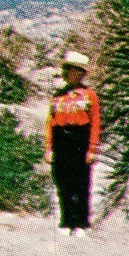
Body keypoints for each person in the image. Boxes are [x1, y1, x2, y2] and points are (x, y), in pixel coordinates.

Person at [46, 51, 100, 236]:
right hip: (61, 138)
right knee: (63, 181)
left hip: (80, 138)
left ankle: (81, 222)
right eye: (69, 70)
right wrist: (49, 147)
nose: (71, 74)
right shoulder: (58, 96)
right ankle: (66, 221)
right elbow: (51, 122)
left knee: (81, 182)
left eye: (76, 71)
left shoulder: (89, 95)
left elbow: (95, 122)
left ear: (81, 73)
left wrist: (92, 148)